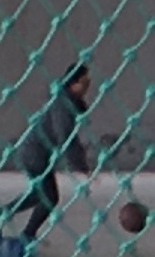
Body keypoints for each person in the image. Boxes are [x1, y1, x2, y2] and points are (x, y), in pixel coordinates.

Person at [9, 63, 93, 235]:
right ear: (74, 83)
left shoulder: (68, 101)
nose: (87, 87)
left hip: (36, 153)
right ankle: (24, 231)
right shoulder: (62, 104)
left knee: (42, 195)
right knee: (48, 197)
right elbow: (66, 137)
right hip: (34, 154)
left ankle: (10, 219)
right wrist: (80, 165)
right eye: (84, 83)